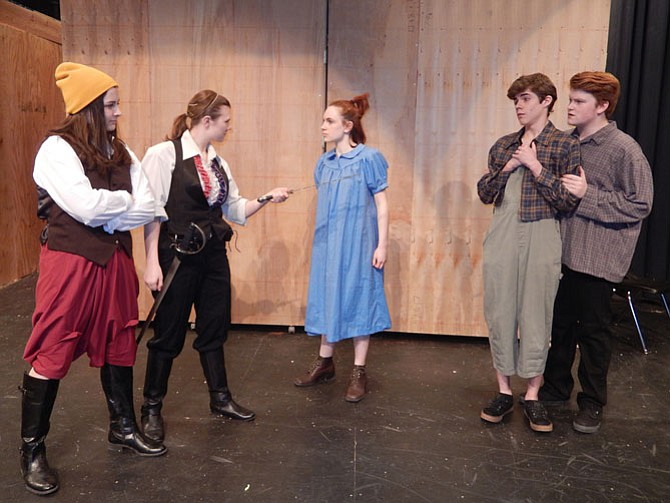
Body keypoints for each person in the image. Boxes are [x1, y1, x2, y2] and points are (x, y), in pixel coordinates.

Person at [19, 62, 165, 496]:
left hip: (117, 262)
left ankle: (122, 426)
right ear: (86, 108)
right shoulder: (56, 150)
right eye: (110, 105)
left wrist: (111, 208)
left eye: (117, 104)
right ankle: (31, 448)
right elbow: (84, 207)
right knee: (53, 346)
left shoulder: (124, 153)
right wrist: (121, 205)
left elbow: (151, 205)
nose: (119, 113)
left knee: (121, 342)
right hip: (70, 263)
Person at [140, 90, 290, 442]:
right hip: (176, 258)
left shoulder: (217, 163)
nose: (228, 128)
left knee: (214, 328)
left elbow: (234, 209)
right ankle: (151, 407)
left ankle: (220, 398)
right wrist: (151, 263)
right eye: (225, 122)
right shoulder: (164, 155)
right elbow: (150, 213)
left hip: (212, 258)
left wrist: (268, 197)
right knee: (168, 334)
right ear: (207, 121)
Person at [539, 71, 653, 433]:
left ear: (601, 106)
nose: (569, 107)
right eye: (570, 99)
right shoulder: (567, 143)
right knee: (561, 326)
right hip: (563, 253)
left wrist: (588, 195)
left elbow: (640, 204)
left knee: (593, 333)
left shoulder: (623, 149)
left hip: (599, 258)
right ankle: (556, 389)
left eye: (578, 101)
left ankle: (592, 403)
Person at [477, 73, 581, 432]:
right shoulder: (504, 145)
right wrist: (510, 166)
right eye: (516, 101)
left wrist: (536, 167)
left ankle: (532, 395)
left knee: (537, 314)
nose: (519, 106)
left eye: (525, 99)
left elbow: (568, 201)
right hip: (504, 234)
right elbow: (485, 193)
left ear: (546, 100)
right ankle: (504, 391)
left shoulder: (563, 145)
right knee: (500, 310)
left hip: (541, 234)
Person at [293, 93, 391, 403]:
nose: (323, 126)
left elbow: (382, 204)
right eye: (323, 120)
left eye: (329, 121)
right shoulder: (324, 163)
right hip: (328, 246)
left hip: (359, 246)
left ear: (347, 126)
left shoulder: (369, 158)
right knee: (327, 298)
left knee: (359, 299)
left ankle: (359, 370)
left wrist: (382, 244)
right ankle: (325, 362)